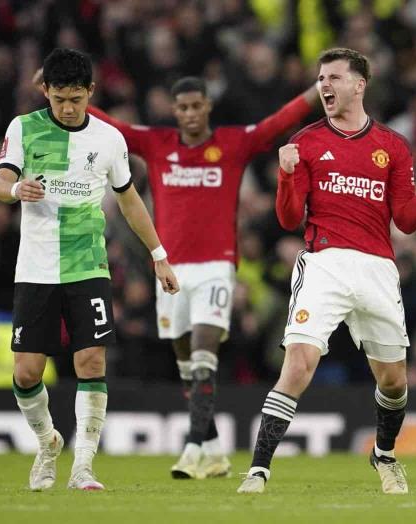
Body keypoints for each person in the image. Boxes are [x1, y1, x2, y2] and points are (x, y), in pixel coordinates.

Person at [236, 48, 416, 495]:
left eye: (334, 77)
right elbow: (287, 219)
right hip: (324, 265)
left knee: (394, 381)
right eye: (321, 78)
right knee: (298, 364)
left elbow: (408, 221)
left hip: (377, 268)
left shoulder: (392, 146)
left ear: (359, 85)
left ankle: (384, 453)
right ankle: (258, 470)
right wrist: (285, 176)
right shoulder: (308, 142)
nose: (324, 85)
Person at [86, 76, 319, 478]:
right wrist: (70, 96)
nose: (191, 114)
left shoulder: (232, 143)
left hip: (216, 266)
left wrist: (320, 88)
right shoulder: (157, 144)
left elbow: (276, 123)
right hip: (171, 268)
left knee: (203, 347)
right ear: (175, 111)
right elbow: (117, 129)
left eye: (197, 106)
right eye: (183, 108)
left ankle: (192, 447)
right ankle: (213, 450)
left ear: (208, 106)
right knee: (185, 360)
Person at [0, 48, 179, 492]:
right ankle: (47, 442)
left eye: (76, 98)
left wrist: (158, 254)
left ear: (90, 92)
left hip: (87, 263)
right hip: (36, 267)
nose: (68, 107)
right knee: (26, 373)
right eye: (59, 99)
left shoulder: (109, 138)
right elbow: (0, 185)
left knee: (91, 359)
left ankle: (83, 467)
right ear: (46, 92)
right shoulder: (24, 128)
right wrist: (18, 187)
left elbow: (129, 198)